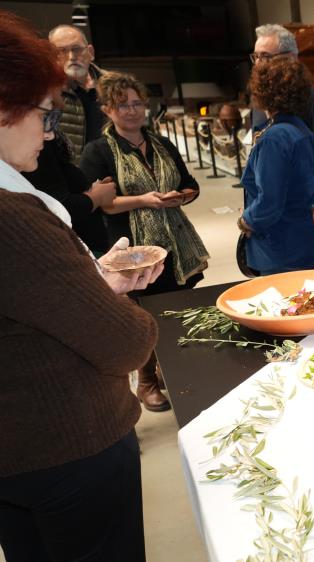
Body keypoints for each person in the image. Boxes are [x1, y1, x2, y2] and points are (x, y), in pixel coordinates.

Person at [0, 11, 160, 561]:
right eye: (45, 115)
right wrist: (115, 299)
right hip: (68, 453)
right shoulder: (13, 217)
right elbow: (127, 343)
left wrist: (91, 281)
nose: (49, 134)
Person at [80, 71, 210, 411]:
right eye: (123, 105)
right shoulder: (99, 152)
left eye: (138, 103)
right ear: (108, 109)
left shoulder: (162, 143)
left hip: (176, 242)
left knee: (175, 310)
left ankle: (171, 369)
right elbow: (102, 202)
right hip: (134, 249)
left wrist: (179, 197)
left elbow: (190, 184)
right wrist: (144, 200)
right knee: (143, 317)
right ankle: (147, 380)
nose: (132, 111)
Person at [238, 59, 314, 274]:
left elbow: (269, 201)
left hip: (279, 248)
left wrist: (246, 221)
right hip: (306, 241)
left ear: (262, 93)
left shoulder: (274, 139)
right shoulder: (303, 131)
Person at [251, 24, 314, 186]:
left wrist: (297, 193)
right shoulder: (258, 101)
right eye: (255, 56)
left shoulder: (313, 100)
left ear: (291, 58)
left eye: (265, 56)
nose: (258, 64)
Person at [22, 130, 115, 253]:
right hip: (72, 249)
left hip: (82, 246)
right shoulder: (40, 143)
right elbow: (57, 206)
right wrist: (96, 197)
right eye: (41, 117)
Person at [48, 24, 105, 161]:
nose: (71, 56)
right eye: (62, 51)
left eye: (77, 49)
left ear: (90, 52)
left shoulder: (114, 87)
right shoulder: (46, 92)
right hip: (69, 177)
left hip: (111, 174)